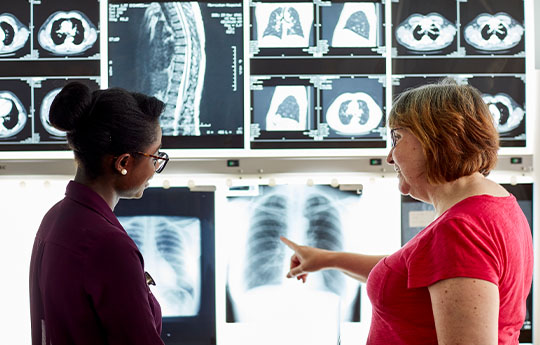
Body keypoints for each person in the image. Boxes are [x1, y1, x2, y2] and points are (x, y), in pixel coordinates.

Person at [281, 79, 533, 345]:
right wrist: (328, 258)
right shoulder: (498, 205)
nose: (390, 157)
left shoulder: (459, 230)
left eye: (397, 138)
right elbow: (414, 276)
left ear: (436, 138)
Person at [29, 82, 169, 345]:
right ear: (123, 163)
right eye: (155, 157)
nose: (156, 167)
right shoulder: (108, 246)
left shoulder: (55, 218)